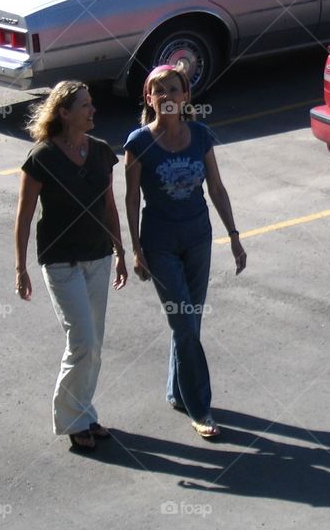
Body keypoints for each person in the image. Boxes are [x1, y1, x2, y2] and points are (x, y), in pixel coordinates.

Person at [124, 65, 246, 440]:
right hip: (160, 244)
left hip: (198, 238)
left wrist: (234, 235)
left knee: (190, 322)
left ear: (186, 96)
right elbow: (130, 198)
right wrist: (135, 248)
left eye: (173, 90)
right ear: (149, 99)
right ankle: (200, 407)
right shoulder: (138, 142)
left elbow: (217, 189)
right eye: (158, 91)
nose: (167, 97)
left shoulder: (200, 135)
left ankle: (177, 391)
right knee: (183, 319)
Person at [14, 80, 129, 452]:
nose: (93, 110)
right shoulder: (42, 157)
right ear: (64, 113)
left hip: (98, 256)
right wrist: (21, 267)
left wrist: (121, 250)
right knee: (81, 340)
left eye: (92, 104)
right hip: (60, 260)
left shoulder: (100, 152)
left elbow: (109, 204)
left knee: (94, 343)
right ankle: (72, 420)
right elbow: (25, 216)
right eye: (85, 106)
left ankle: (84, 412)